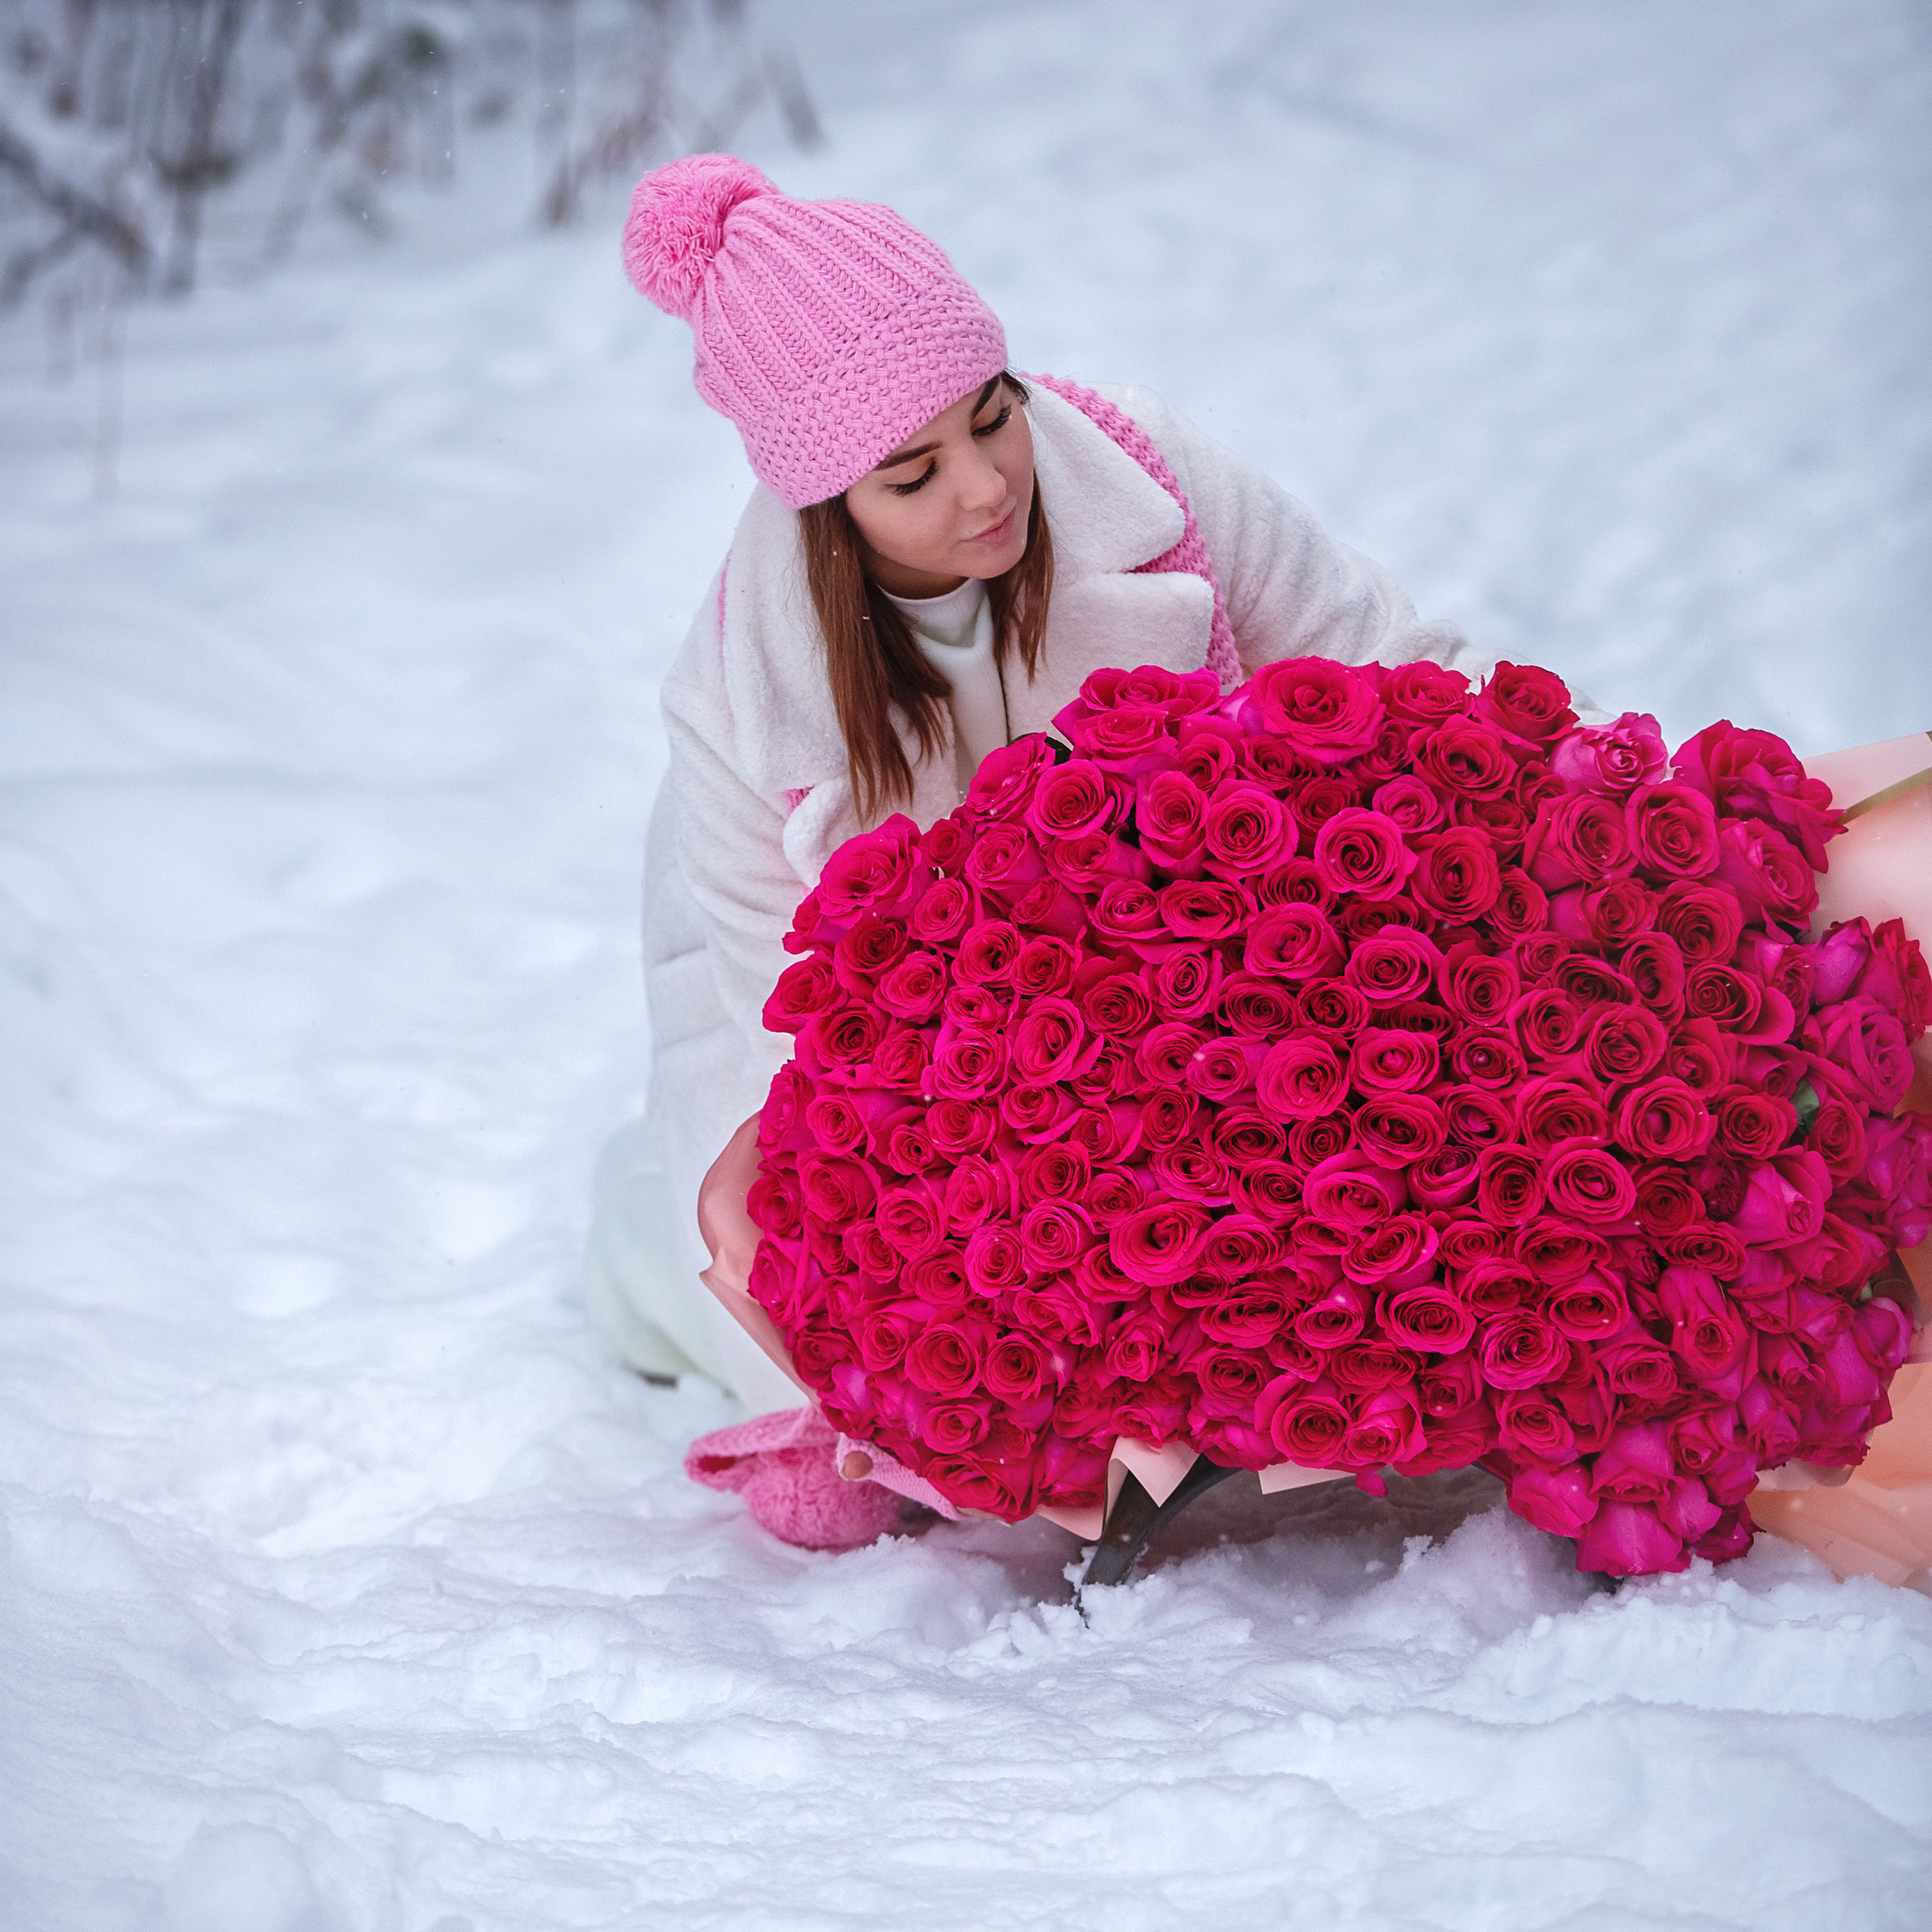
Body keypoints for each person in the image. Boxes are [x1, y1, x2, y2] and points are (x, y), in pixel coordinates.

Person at [585, 152, 1546, 1414]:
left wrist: (1539, 812)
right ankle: (629, 1243)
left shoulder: (1149, 468)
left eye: (992, 415)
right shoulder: (739, 695)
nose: (986, 486)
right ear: (827, 507)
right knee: (806, 1336)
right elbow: (798, 1030)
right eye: (913, 475)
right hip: (857, 1011)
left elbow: (1383, 657)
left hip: (1170, 979)